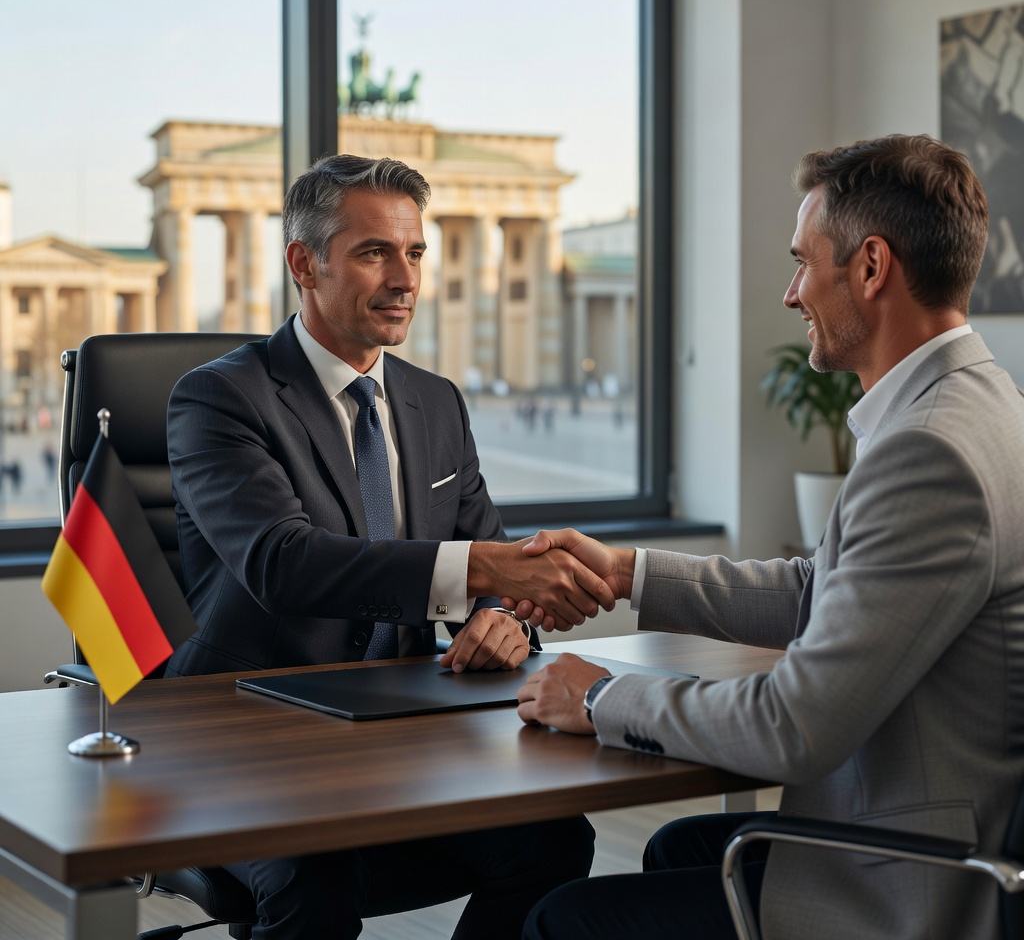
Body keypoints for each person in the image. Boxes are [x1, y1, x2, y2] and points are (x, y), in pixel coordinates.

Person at [511, 134, 1024, 940]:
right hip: (919, 823)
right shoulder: (982, 406)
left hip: (913, 884)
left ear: (871, 266)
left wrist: (602, 696)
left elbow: (795, 726)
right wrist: (626, 573)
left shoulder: (932, 452)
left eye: (801, 262)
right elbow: (823, 591)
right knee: (679, 849)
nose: (791, 294)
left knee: (561, 922)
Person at [165, 154, 600, 939]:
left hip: (403, 728)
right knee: (314, 878)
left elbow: (490, 556)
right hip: (251, 736)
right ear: (304, 263)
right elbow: (281, 562)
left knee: (554, 839)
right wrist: (478, 573)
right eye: (374, 253)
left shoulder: (435, 403)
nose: (405, 279)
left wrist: (501, 615)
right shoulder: (220, 397)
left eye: (415, 253)